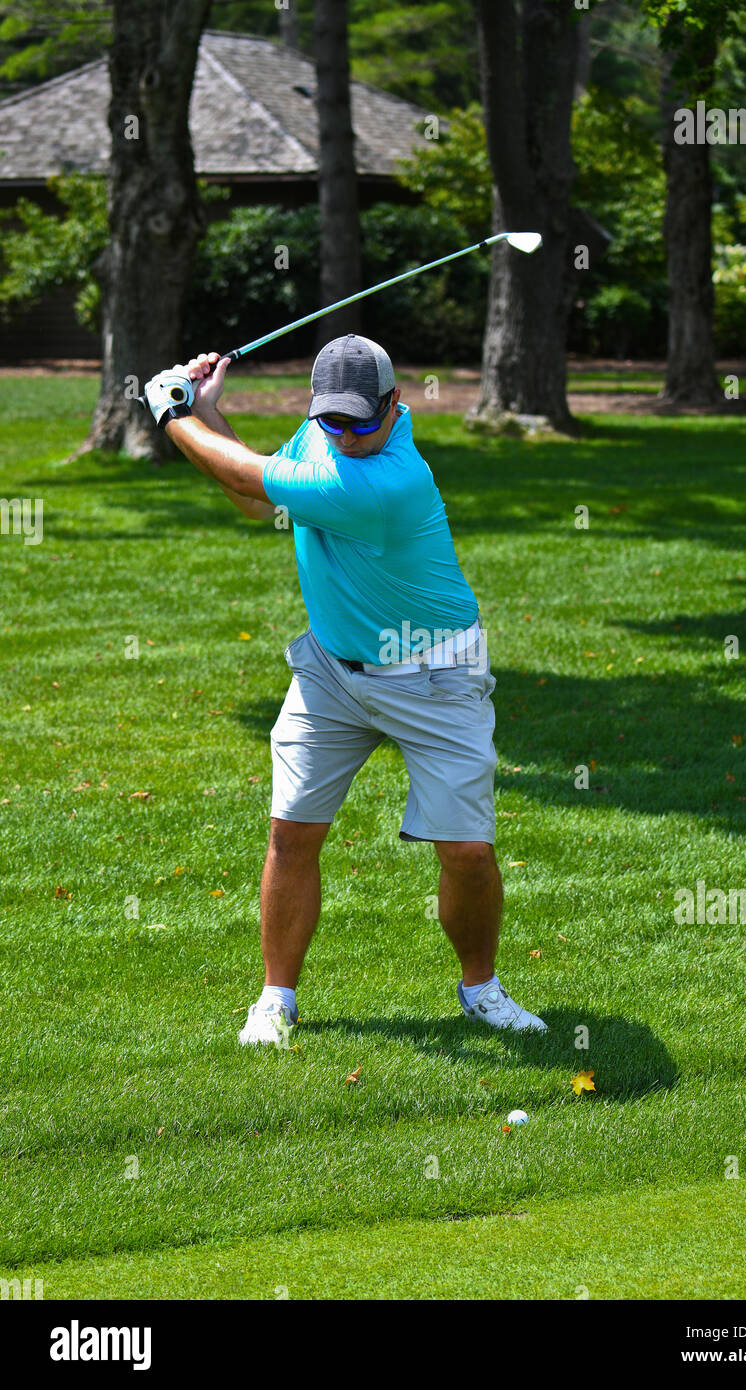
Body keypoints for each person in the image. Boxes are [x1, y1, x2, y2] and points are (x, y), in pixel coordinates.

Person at [143, 333, 547, 1044]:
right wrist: (211, 412)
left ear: (394, 407)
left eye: (362, 421)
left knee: (467, 851)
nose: (347, 434)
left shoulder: (387, 482)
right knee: (290, 831)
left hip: (434, 674)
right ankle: (276, 998)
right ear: (316, 408)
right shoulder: (320, 433)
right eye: (333, 421)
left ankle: (480, 988)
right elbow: (257, 500)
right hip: (332, 669)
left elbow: (246, 481)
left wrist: (173, 414)